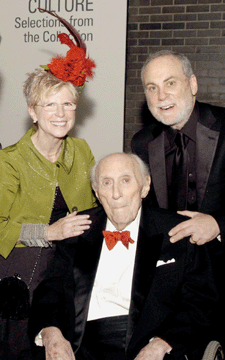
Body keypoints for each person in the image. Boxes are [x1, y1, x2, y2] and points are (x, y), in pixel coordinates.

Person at [29, 153, 217, 360]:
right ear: (97, 191)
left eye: (125, 181)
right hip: (81, 346)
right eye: (107, 183)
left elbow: (200, 301)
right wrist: (51, 334)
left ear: (145, 186)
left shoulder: (177, 231)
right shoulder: (77, 231)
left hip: (150, 343)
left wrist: (161, 344)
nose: (116, 193)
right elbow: (48, 293)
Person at [131, 49, 225, 359]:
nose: (161, 95)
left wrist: (218, 223)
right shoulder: (142, 143)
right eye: (152, 87)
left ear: (192, 84)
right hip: (176, 293)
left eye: (170, 83)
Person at [0, 11, 96, 360]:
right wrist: (49, 232)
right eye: (50, 105)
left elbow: (89, 213)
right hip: (17, 276)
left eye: (68, 104)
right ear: (33, 111)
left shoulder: (82, 151)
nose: (60, 113)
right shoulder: (9, 161)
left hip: (63, 278)